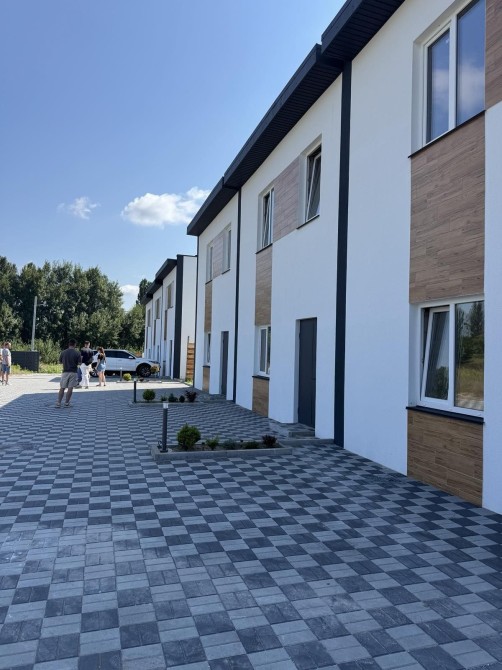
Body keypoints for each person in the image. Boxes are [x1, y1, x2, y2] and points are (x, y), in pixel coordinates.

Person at [56, 339, 82, 407]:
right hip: (73, 372)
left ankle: (58, 403)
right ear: (75, 344)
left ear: (69, 344)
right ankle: (66, 403)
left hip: (65, 372)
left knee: (62, 387)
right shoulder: (77, 353)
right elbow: (79, 363)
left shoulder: (63, 352)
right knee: (70, 388)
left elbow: (60, 362)